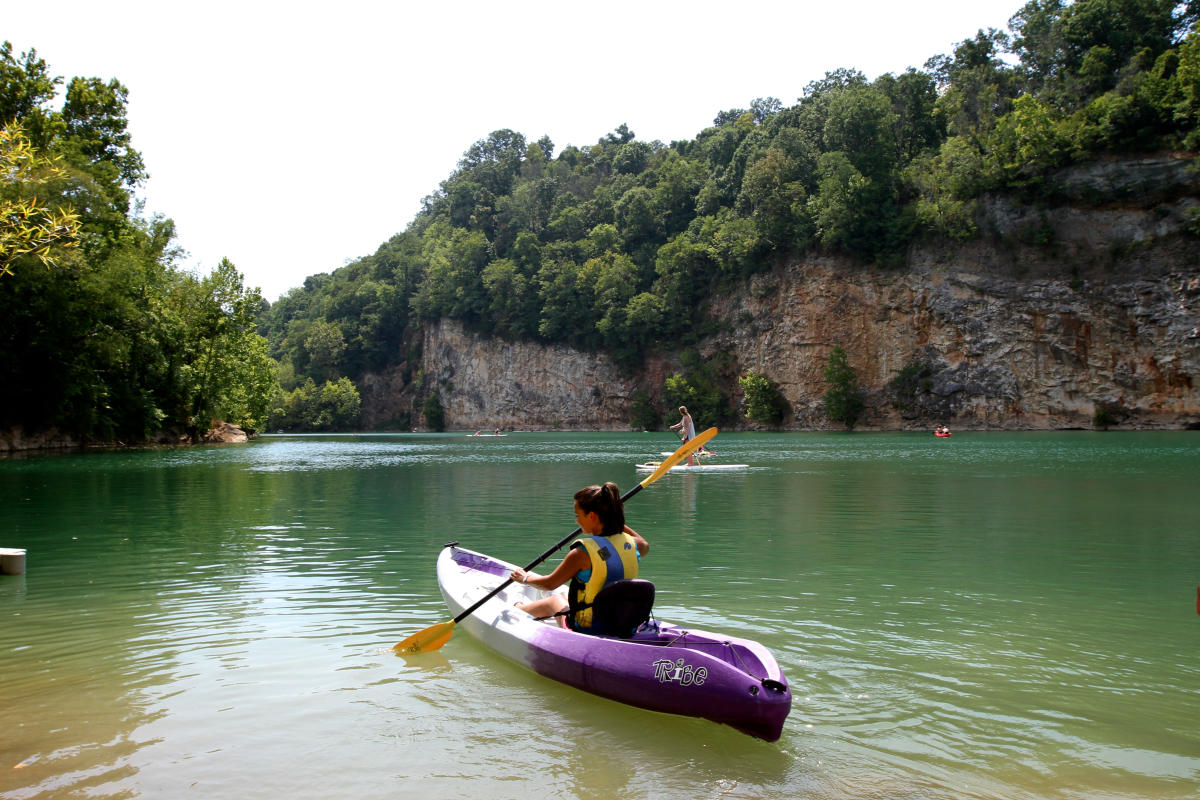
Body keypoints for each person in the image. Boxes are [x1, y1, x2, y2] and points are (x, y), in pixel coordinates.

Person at [510, 482, 650, 633]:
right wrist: (611, 518)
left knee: (555, 600)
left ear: (592, 516)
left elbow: (549, 584)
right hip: (624, 623)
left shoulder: (582, 553)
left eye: (578, 515)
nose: (576, 521)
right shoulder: (632, 545)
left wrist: (524, 578)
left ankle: (518, 608)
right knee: (565, 596)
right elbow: (643, 543)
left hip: (587, 626)